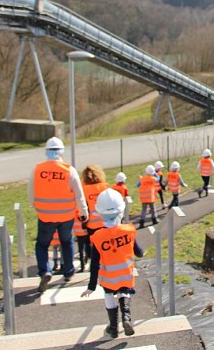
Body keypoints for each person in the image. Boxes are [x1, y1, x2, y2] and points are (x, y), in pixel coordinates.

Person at [29, 136, 88, 293]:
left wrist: (37, 207)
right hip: (66, 215)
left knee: (42, 245)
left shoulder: (37, 169)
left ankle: (45, 271)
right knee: (66, 242)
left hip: (45, 215)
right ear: (62, 152)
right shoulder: (69, 170)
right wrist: (83, 212)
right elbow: (79, 194)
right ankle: (68, 271)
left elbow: (31, 194)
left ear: (46, 152)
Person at [82, 189, 143, 339]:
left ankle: (113, 327)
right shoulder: (128, 230)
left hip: (108, 277)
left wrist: (91, 286)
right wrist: (141, 254)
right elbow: (138, 251)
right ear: (121, 210)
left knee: (109, 295)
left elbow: (95, 264)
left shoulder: (98, 237)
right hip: (125, 274)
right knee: (124, 291)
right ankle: (126, 318)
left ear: (100, 213)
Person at [82, 164, 110, 236]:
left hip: (91, 225)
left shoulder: (84, 190)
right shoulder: (105, 187)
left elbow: (84, 209)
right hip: (106, 222)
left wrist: (84, 226)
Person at [136, 165, 159, 229]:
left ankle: (142, 222)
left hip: (143, 198)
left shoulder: (142, 179)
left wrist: (140, 179)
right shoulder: (153, 179)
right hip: (151, 197)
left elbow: (137, 185)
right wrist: (155, 173)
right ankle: (154, 220)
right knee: (153, 209)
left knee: (144, 210)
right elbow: (158, 178)